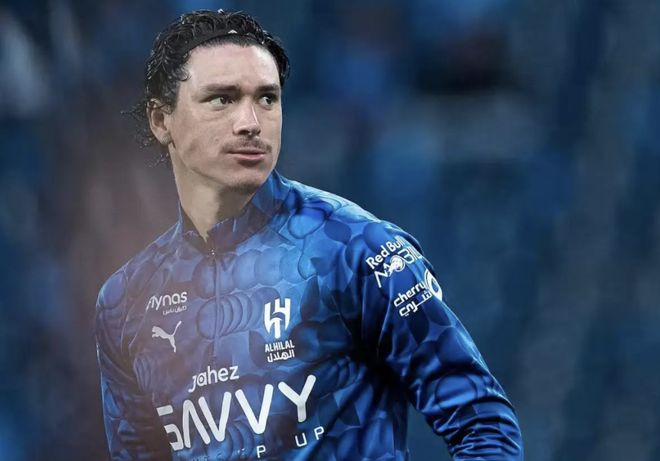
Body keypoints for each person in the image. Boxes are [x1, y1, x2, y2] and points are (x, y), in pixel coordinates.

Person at [95, 9, 524, 461]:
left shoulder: (356, 250)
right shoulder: (125, 303)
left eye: (267, 98)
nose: (250, 122)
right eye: (222, 99)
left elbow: (485, 425)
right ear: (161, 120)